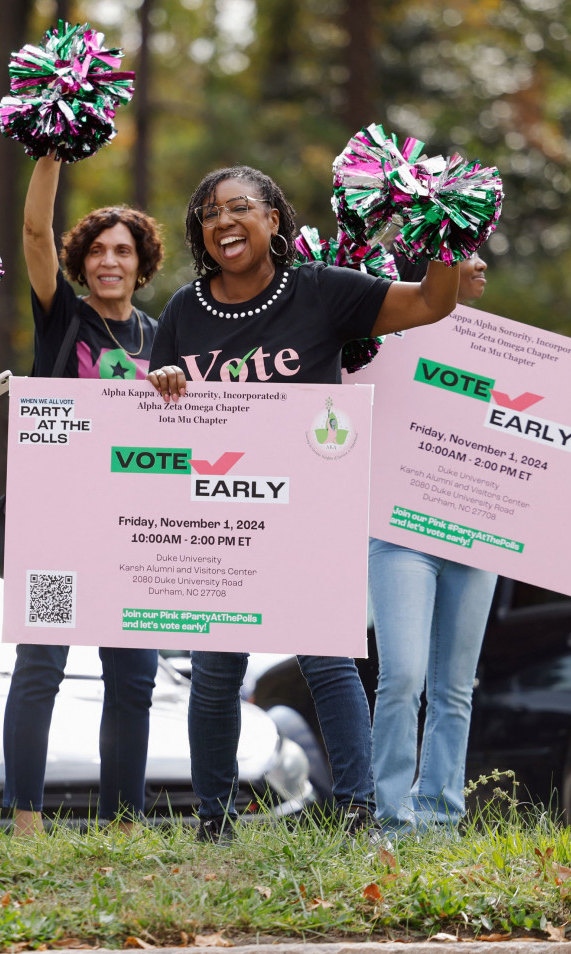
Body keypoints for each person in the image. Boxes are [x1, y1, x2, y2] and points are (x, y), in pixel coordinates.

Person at [147, 165, 462, 841]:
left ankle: (356, 809)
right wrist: (165, 379)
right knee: (215, 671)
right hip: (219, 511)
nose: (222, 222)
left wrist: (446, 230)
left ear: (273, 219)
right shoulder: (182, 311)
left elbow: (433, 303)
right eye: (209, 213)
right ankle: (213, 818)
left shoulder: (321, 292)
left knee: (327, 659)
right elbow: (152, 405)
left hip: (309, 510)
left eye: (238, 208)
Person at [368, 252, 571, 834]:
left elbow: (565, 441)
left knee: (454, 688)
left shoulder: (520, 362)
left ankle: (440, 823)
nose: (480, 263)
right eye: (468, 253)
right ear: (437, 266)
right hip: (404, 534)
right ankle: (392, 822)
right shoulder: (389, 339)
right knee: (402, 674)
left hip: (477, 540)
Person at [3, 155, 168, 835]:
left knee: (133, 679)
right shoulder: (62, 319)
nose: (110, 261)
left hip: (133, 534)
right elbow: (35, 233)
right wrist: (49, 155)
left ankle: (124, 824)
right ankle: (26, 819)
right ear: (82, 262)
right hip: (57, 527)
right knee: (42, 664)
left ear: (142, 264)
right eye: (97, 250)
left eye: (123, 251)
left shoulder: (163, 338)